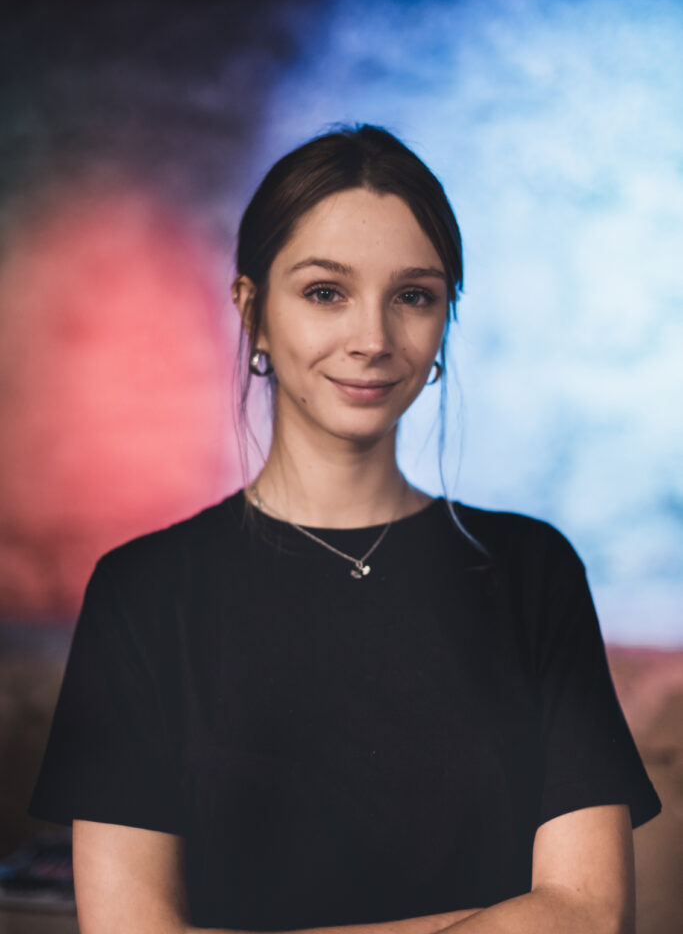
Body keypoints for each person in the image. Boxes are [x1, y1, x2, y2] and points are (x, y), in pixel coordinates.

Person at [28, 124, 661, 934]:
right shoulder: (143, 592)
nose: (372, 340)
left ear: (444, 320)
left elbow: (589, 915)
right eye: (326, 292)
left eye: (413, 296)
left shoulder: (531, 570)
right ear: (253, 311)